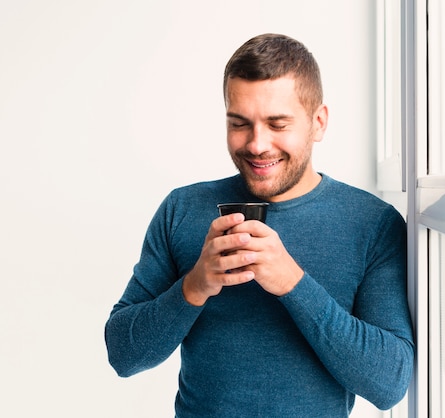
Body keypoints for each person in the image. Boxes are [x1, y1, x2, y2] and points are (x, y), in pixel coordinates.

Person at [105, 33, 414, 417]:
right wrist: (195, 285)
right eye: (240, 123)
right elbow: (122, 354)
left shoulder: (373, 223)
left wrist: (293, 284)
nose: (256, 144)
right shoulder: (182, 209)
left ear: (318, 122)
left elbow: (390, 383)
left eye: (277, 124)